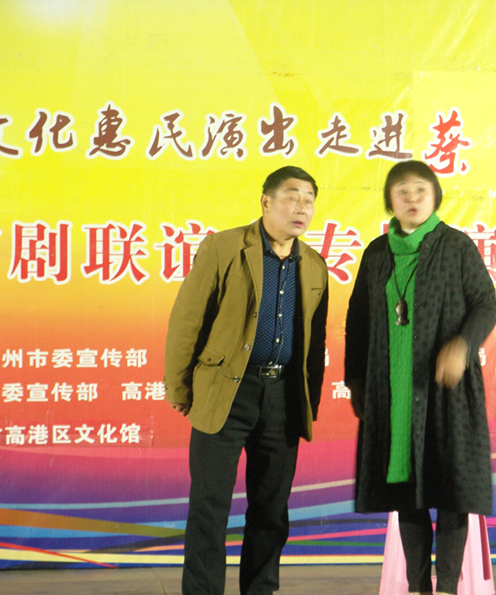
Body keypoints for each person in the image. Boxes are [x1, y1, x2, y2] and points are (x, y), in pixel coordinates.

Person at [165, 166, 329, 595]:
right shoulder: (224, 248)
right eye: (291, 197)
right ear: (266, 202)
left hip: (283, 398)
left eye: (308, 200)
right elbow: (187, 320)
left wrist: (308, 403)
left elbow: (314, 341)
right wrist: (179, 387)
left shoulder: (314, 265)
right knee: (210, 506)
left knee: (271, 509)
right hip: (226, 391)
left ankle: (261, 589)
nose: (301, 208)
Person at [345, 161, 496, 595]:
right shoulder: (377, 253)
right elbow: (357, 321)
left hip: (446, 390)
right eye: (402, 191)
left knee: (451, 490)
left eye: (420, 190)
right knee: (404, 491)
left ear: (435, 197)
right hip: (392, 390)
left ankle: (446, 587)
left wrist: (463, 345)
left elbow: (485, 304)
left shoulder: (456, 246)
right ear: (389, 201)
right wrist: (357, 382)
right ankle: (417, 588)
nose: (411, 198)